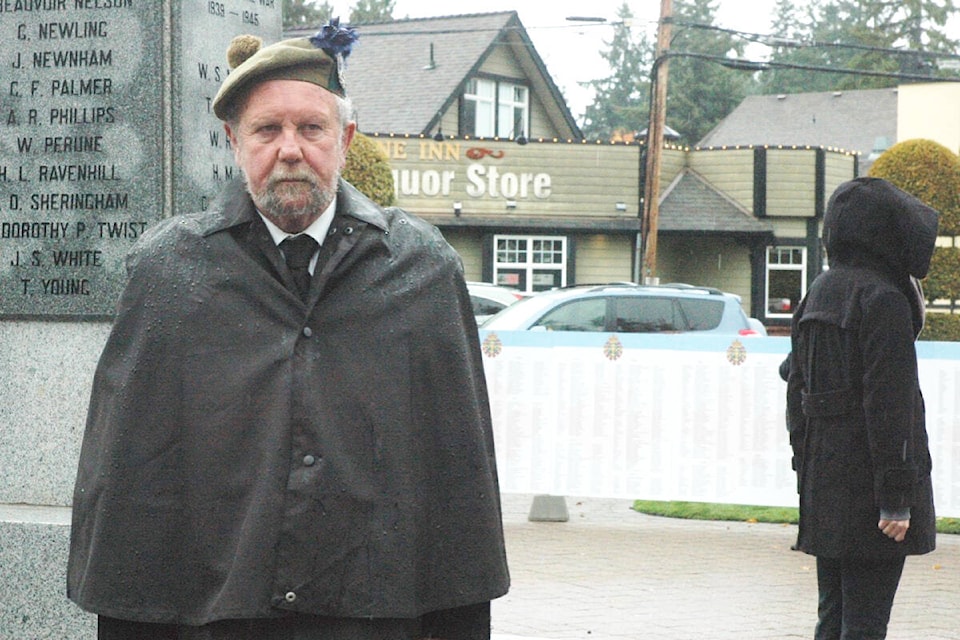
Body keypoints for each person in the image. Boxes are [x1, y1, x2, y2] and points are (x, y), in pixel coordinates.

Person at [67, 20, 509, 640]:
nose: (291, 148)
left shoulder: (419, 268)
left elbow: (456, 468)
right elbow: (130, 473)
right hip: (220, 612)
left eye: (311, 127)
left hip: (373, 613)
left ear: (346, 137)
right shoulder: (170, 270)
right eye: (267, 129)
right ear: (233, 140)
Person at [785, 177, 938, 640]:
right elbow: (891, 407)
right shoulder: (884, 299)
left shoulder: (820, 291)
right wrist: (896, 497)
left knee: (832, 617)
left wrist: (804, 470)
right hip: (872, 492)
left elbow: (796, 391)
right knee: (866, 623)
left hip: (825, 484)